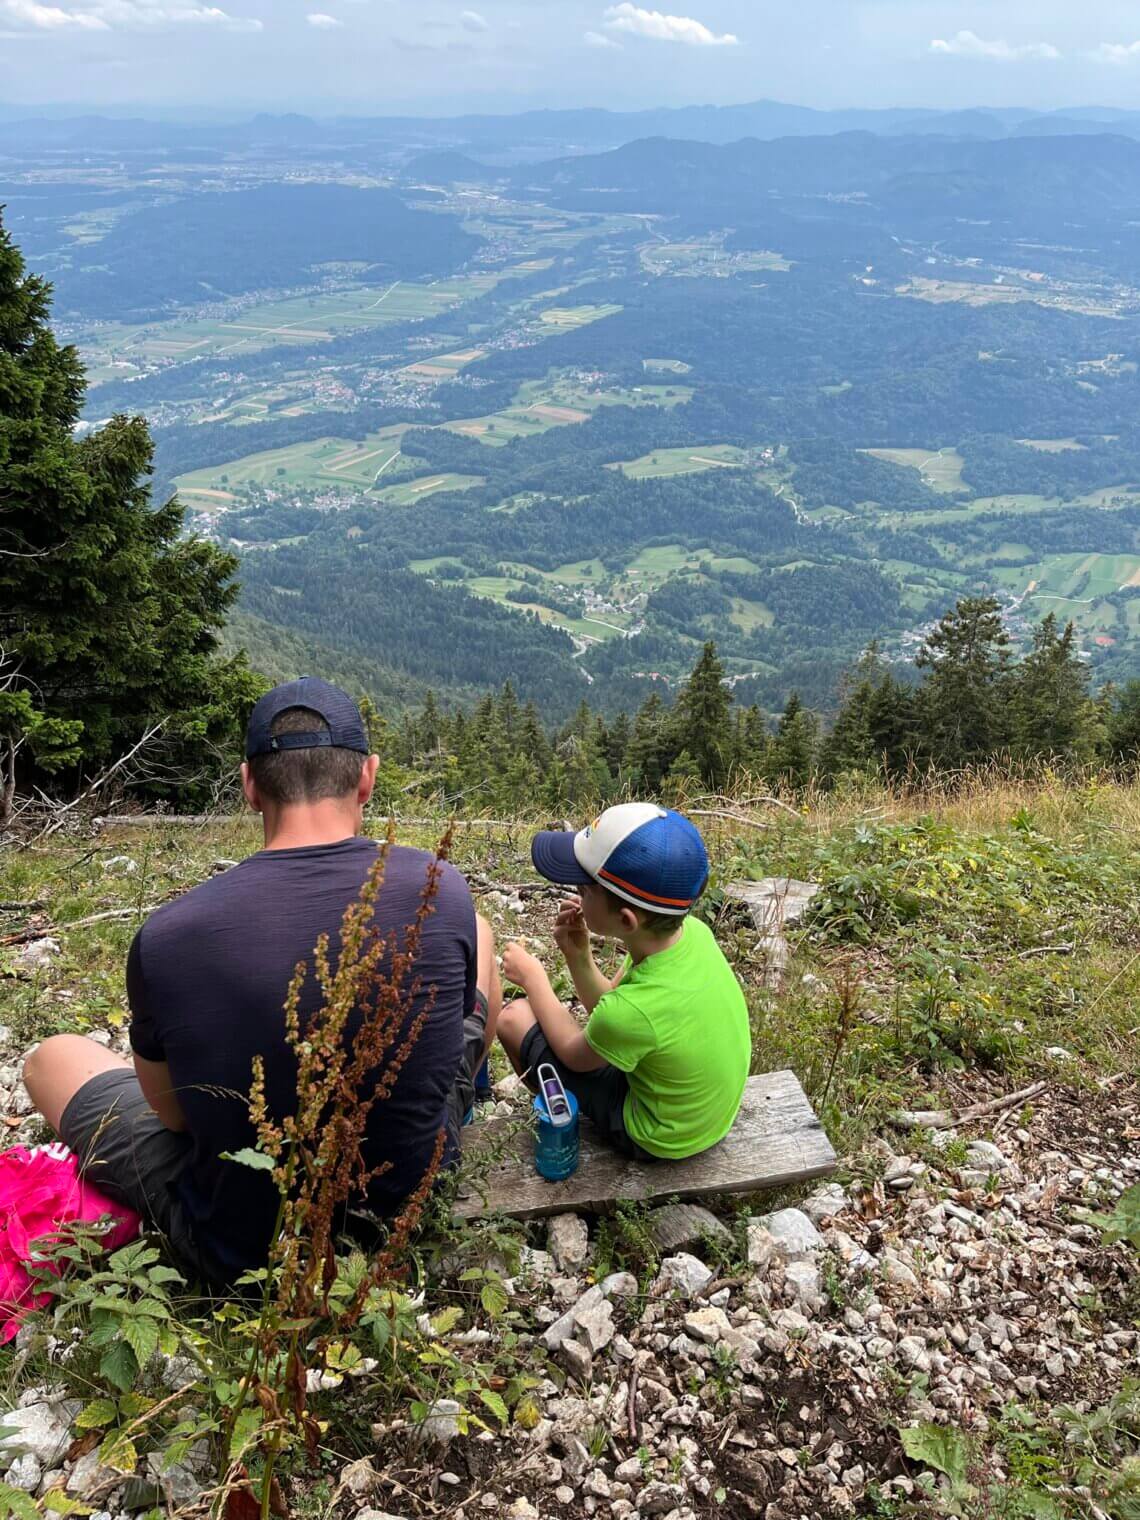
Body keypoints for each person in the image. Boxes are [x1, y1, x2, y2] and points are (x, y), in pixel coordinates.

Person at [23, 678, 500, 1286]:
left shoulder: (168, 935)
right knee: (479, 934)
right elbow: (460, 1020)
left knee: (52, 1058)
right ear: (367, 778)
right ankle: (463, 1100)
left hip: (246, 1253)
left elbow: (172, 1120)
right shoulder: (442, 887)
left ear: (250, 785)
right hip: (404, 1215)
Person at [497, 802, 750, 1161]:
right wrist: (579, 957)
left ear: (627, 920)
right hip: (699, 1116)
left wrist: (534, 978)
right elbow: (611, 1005)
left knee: (513, 1019)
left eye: (585, 890)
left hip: (660, 1138)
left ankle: (562, 1123)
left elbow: (574, 1053)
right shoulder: (689, 933)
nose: (577, 894)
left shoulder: (634, 1010)